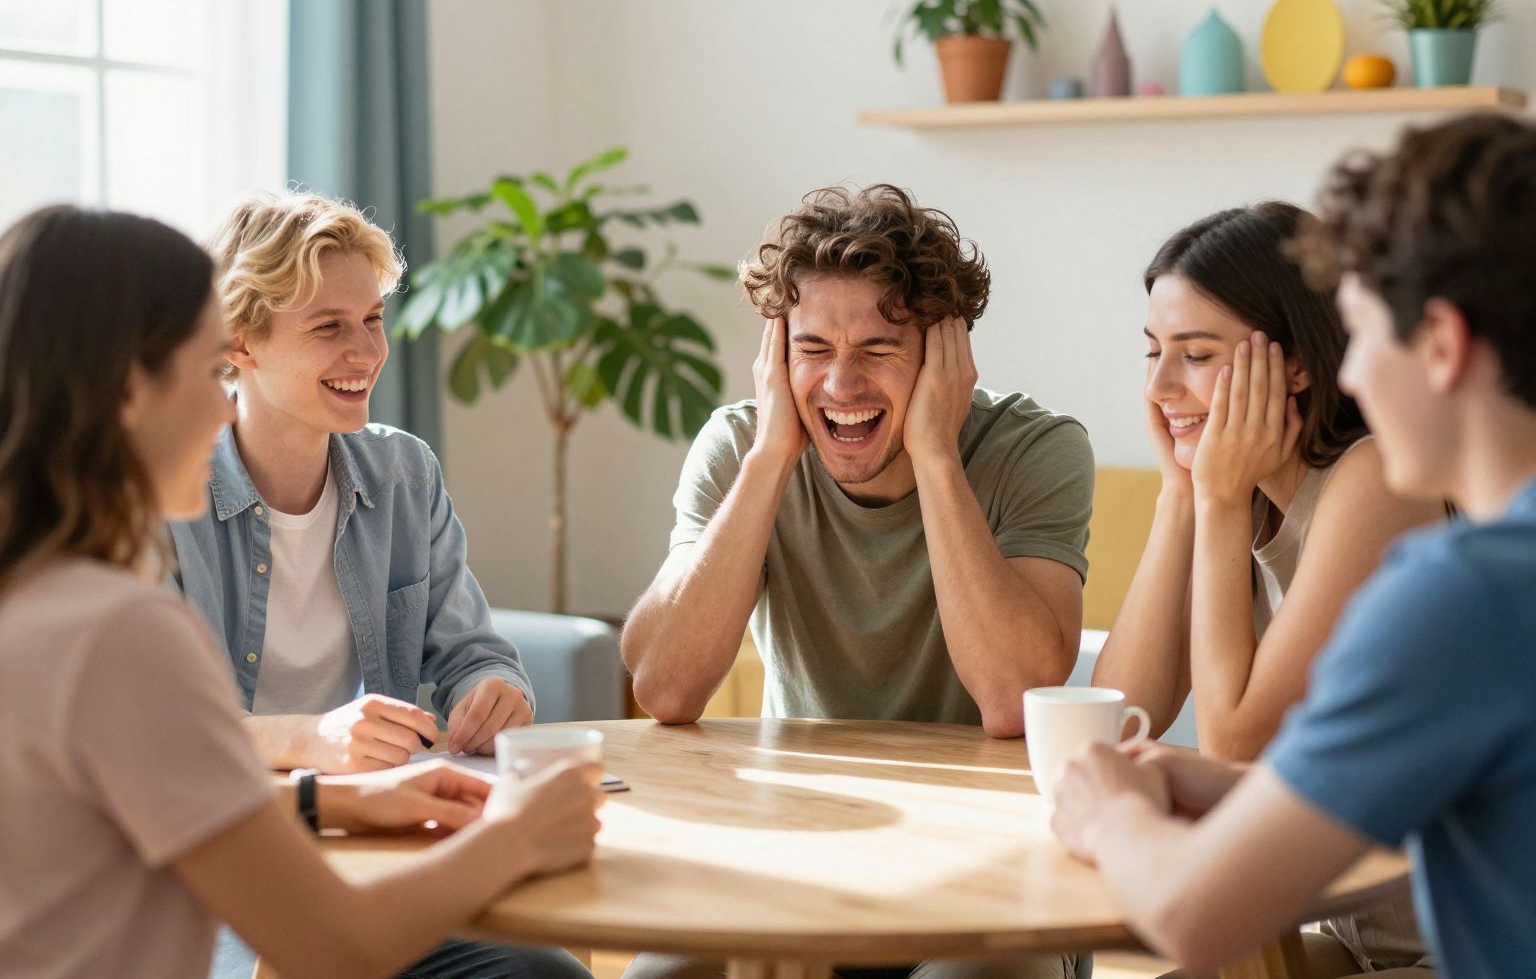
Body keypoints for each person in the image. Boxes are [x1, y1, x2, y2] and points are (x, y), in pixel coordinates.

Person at [0, 205, 602, 979]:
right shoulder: (119, 630)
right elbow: (332, 945)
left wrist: (335, 804)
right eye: (201, 369)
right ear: (129, 391)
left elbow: (128, 812)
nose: (222, 402)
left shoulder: (38, 595)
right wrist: (517, 833)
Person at [1050, 114, 1536, 979]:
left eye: (1365, 338)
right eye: (1154, 353)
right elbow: (1135, 701)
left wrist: (1111, 817)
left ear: (1442, 344)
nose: (1353, 372)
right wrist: (1186, 494)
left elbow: (1192, 906)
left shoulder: (1456, 578)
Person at [622, 184, 1095, 979]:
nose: (841, 386)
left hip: (995, 869)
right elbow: (666, 687)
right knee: (663, 975)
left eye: (878, 349)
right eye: (812, 350)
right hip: (795, 848)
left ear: (945, 356)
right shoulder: (742, 447)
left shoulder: (1034, 452)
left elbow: (1014, 698)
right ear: (777, 355)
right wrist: (771, 458)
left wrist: (938, 454)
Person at [1091, 203, 1442, 974]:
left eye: (1196, 355)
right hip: (1357, 937)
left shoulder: (1377, 479)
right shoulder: (1233, 488)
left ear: (1299, 363)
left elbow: (1236, 745)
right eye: (1152, 352)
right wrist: (1180, 498)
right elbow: (1114, 723)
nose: (1160, 386)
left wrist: (1214, 505)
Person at [170, 191, 533, 776]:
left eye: (372, 319)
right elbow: (149, 727)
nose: (366, 352)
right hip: (219, 814)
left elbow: (473, 655)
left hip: (380, 802)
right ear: (238, 341)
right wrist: (308, 739)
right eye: (328, 327)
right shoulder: (160, 493)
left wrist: (493, 690)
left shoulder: (405, 476)